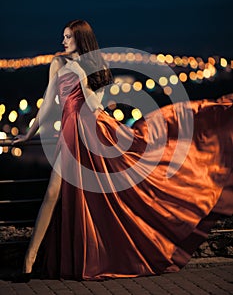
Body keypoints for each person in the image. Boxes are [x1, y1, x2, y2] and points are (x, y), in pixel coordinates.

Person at [12, 19, 233, 281]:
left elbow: (94, 106)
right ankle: (30, 260)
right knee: (53, 193)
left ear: (81, 39)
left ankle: (49, 258)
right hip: (71, 134)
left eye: (68, 37)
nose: (63, 41)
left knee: (99, 192)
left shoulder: (93, 67)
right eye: (63, 36)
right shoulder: (58, 64)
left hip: (93, 132)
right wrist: (28, 134)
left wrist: (88, 87)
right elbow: (48, 104)